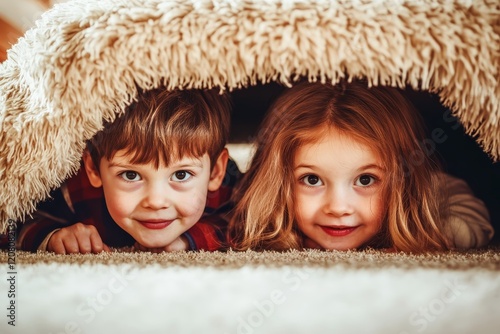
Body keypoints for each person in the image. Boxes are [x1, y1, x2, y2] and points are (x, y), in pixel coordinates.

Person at [228, 80, 494, 253]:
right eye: (311, 180)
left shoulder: (425, 187)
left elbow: (470, 217)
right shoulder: (259, 211)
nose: (338, 208)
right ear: (276, 183)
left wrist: (420, 237)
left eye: (366, 180)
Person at [17, 87, 240, 254]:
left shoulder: (226, 188)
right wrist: (53, 236)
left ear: (215, 172)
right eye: (131, 175)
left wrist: (190, 239)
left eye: (181, 175)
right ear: (94, 169)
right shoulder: (76, 188)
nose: (155, 201)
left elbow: (253, 225)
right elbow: (14, 220)